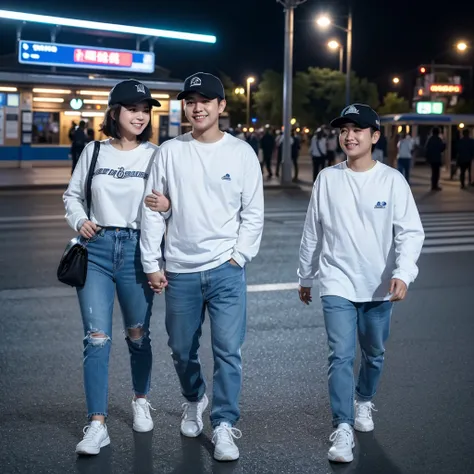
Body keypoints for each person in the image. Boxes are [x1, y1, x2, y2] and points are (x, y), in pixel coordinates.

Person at [140, 72, 264, 462]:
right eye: (190, 101)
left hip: (226, 269)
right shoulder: (169, 152)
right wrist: (152, 262)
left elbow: (253, 213)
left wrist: (239, 256)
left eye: (205, 100)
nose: (197, 107)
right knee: (180, 349)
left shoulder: (241, 153)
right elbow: (152, 211)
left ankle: (224, 423)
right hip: (179, 269)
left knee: (228, 350)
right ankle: (194, 398)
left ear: (221, 106)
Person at [297, 104, 424, 464]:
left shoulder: (392, 180)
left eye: (357, 130)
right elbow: (312, 231)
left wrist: (403, 272)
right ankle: (342, 426)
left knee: (374, 353)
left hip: (378, 286)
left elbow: (411, 233)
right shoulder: (327, 178)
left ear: (374, 136)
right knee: (340, 354)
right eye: (344, 130)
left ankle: (364, 400)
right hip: (336, 279)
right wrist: (306, 276)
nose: (349, 136)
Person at [63, 79, 167, 456]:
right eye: (132, 109)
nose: (140, 116)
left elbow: (168, 205)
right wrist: (79, 221)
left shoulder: (157, 155)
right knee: (96, 338)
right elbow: (72, 196)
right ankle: (96, 424)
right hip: (98, 251)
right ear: (115, 112)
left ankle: (141, 398)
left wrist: (167, 205)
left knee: (138, 335)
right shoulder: (93, 152)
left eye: (145, 110)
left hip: (138, 252)